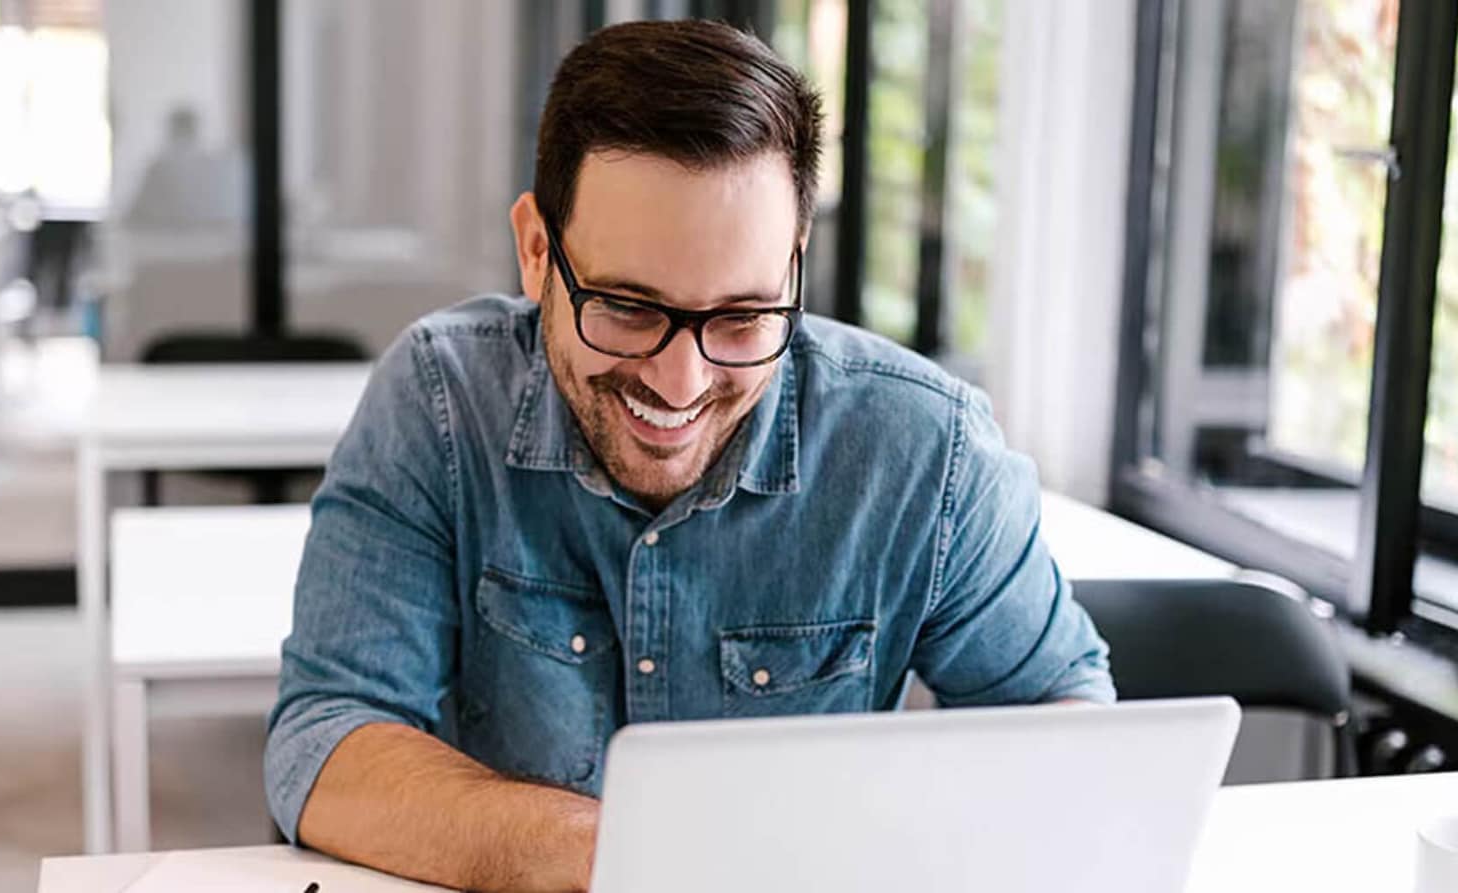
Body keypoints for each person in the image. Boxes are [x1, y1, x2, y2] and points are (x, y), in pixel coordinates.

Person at [264, 20, 1112, 892]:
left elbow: (1066, 725)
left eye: (742, 317)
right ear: (534, 250)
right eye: (628, 307)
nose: (681, 381)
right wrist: (630, 854)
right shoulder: (440, 401)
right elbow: (326, 739)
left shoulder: (928, 449)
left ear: (794, 269)